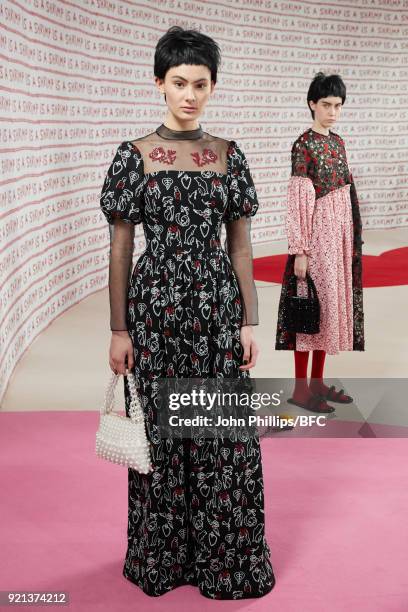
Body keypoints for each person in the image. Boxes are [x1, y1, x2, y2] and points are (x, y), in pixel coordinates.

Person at [99, 26, 275, 599]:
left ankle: (224, 564)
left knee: (219, 434)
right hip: (154, 314)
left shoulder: (229, 156)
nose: (190, 94)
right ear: (159, 83)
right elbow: (122, 248)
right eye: (179, 82)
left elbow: (242, 247)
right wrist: (118, 329)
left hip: (218, 310)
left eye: (200, 84)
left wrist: (249, 321)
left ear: (213, 87)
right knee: (162, 434)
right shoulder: (135, 158)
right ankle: (166, 560)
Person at [275, 72, 365, 413]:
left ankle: (317, 383)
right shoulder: (304, 145)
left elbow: (346, 191)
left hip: (339, 240)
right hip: (316, 239)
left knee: (327, 313)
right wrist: (300, 249)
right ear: (312, 104)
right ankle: (301, 389)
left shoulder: (338, 142)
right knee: (308, 314)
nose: (332, 112)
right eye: (326, 105)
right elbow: (298, 198)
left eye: (338, 106)